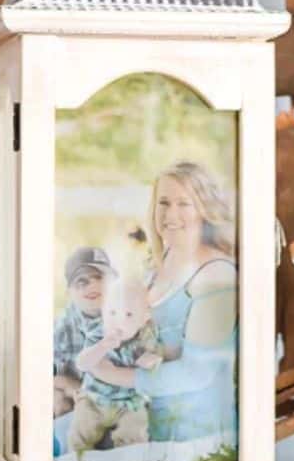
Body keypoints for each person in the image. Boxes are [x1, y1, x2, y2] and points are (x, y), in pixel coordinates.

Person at [82, 161, 239, 443]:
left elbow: (196, 374)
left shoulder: (217, 274)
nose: (170, 214)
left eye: (184, 203)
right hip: (137, 417)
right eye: (163, 203)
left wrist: (111, 374)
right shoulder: (158, 263)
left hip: (191, 435)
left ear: (204, 209)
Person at [69, 278, 163, 452]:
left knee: (136, 428)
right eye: (112, 312)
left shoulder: (144, 337)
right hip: (94, 399)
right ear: (103, 312)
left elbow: (147, 358)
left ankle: (128, 460)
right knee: (82, 428)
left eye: (128, 315)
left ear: (143, 319)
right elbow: (82, 363)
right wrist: (102, 346)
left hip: (128, 404)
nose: (118, 320)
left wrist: (150, 361)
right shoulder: (98, 334)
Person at [53, 247, 116, 418]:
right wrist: (70, 387)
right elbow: (42, 376)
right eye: (82, 282)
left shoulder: (126, 317)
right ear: (69, 292)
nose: (93, 286)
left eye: (99, 278)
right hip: (78, 398)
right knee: (57, 399)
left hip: (118, 399)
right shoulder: (61, 328)